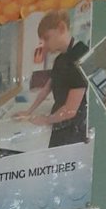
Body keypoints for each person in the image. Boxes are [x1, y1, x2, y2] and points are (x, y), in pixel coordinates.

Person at [17, 10, 88, 147]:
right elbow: (46, 89)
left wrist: (45, 120)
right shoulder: (59, 59)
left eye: (47, 38)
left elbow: (70, 110)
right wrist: (29, 111)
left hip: (74, 129)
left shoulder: (79, 55)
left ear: (61, 28)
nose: (45, 45)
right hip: (58, 120)